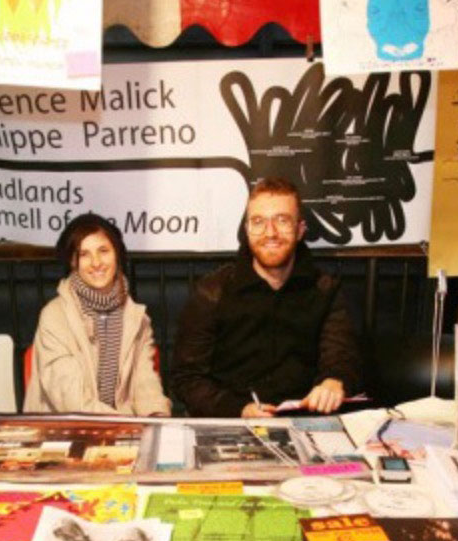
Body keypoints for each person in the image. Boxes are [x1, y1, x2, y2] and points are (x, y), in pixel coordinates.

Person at [172, 178, 362, 418]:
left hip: (304, 422)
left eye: (282, 220)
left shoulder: (326, 290)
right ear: (247, 230)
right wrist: (239, 410)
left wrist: (335, 382)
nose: (270, 233)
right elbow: (187, 378)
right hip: (232, 422)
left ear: (300, 230)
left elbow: (341, 355)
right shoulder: (212, 292)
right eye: (258, 222)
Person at [23, 213, 171, 416]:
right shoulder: (54, 316)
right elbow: (71, 400)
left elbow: (145, 384)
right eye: (84, 254)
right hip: (63, 431)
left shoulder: (137, 317)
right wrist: (125, 426)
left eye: (103, 251)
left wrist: (157, 419)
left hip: (121, 432)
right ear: (73, 262)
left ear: (117, 254)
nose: (96, 262)